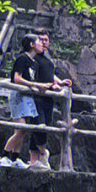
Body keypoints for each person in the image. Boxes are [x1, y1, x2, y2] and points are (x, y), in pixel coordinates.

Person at [0, 34, 45, 168]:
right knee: (20, 130)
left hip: (27, 97)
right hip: (18, 96)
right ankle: (4, 156)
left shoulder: (34, 62)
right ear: (32, 45)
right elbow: (17, 78)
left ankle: (14, 159)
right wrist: (35, 85)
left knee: (23, 131)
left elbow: (32, 81)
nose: (42, 44)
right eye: (38, 41)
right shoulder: (22, 58)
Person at [32, 30, 72, 170]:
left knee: (44, 127)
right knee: (39, 126)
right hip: (36, 96)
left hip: (48, 98)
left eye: (46, 39)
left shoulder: (47, 58)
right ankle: (44, 154)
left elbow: (50, 75)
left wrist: (60, 83)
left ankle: (35, 162)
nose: (43, 42)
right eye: (40, 39)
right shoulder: (32, 58)